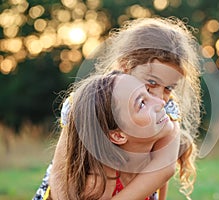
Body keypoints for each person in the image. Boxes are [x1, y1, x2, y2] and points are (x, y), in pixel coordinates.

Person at [33, 17, 202, 200]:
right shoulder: (89, 103)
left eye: (169, 88)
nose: (159, 96)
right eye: (151, 82)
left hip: (135, 192)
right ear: (125, 66)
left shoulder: (164, 110)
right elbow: (59, 170)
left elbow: (164, 169)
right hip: (76, 188)